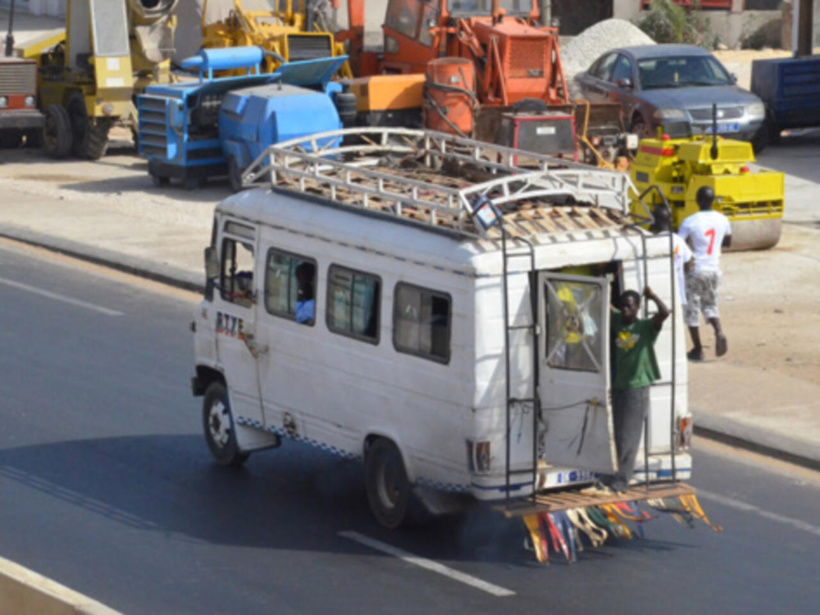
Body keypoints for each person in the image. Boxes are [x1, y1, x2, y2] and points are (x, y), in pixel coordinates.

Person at [585, 287, 670, 495]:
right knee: (616, 435)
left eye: (630, 306)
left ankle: (621, 482)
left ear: (638, 307)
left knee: (629, 439)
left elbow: (665, 312)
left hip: (636, 389)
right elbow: (607, 304)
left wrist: (652, 296)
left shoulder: (645, 327)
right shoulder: (617, 320)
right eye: (623, 306)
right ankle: (609, 476)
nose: (625, 310)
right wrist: (598, 285)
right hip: (619, 387)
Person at [677, 186, 732, 361]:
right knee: (710, 304)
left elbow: (679, 244)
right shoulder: (723, 219)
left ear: (698, 200)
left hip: (695, 270)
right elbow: (728, 242)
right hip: (713, 270)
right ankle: (719, 331)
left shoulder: (689, 221)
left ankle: (698, 349)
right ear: (712, 200)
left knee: (692, 310)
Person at [651, 205, 694, 307]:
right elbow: (688, 263)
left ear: (655, 221)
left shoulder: (652, 242)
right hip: (678, 290)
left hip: (661, 291)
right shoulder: (678, 240)